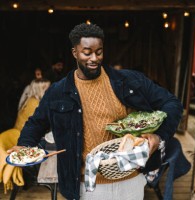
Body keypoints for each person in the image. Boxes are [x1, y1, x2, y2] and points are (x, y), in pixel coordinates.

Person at [7, 23, 183, 200]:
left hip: (131, 181)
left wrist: (158, 135)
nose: (94, 58)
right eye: (87, 52)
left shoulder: (129, 80)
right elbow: (35, 124)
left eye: (99, 52)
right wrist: (24, 146)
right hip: (86, 187)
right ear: (75, 53)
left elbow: (172, 104)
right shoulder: (57, 92)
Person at [0, 78, 50, 193]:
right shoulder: (35, 103)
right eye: (47, 88)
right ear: (40, 89)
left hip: (17, 134)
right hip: (21, 138)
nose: (49, 91)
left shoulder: (30, 100)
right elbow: (39, 126)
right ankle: (40, 177)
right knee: (49, 146)